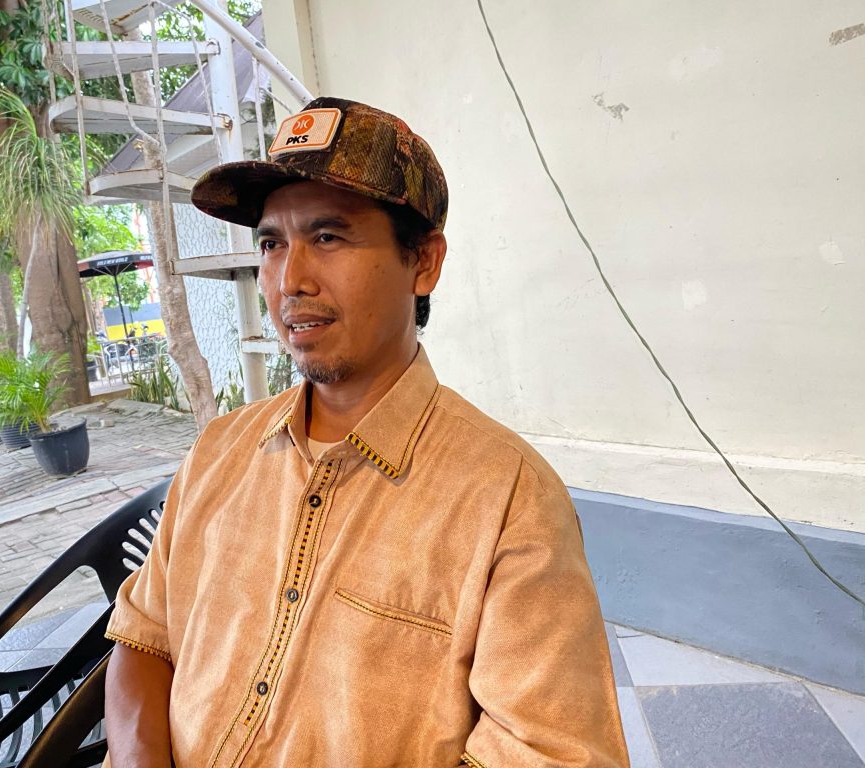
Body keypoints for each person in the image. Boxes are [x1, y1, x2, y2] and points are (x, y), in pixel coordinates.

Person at [103, 97, 629, 768]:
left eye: (328, 237)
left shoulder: (508, 501)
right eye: (271, 244)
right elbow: (143, 638)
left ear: (424, 262)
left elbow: (549, 752)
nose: (290, 281)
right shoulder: (219, 450)